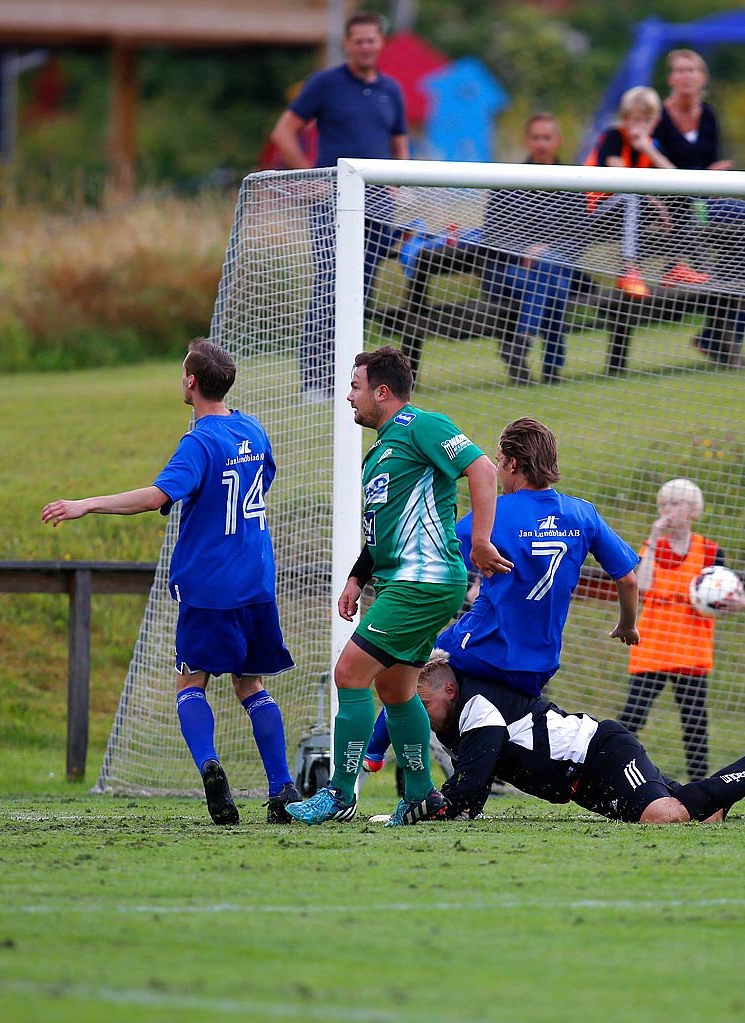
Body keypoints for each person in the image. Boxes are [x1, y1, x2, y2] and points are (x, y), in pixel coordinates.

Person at [40, 339, 295, 827]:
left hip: (210, 587)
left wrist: (86, 503)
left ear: (192, 382)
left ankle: (210, 767)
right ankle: (282, 786)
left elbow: (157, 495)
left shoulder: (199, 442)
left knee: (191, 681)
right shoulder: (254, 430)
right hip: (258, 580)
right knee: (251, 684)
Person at [285, 346, 509, 826]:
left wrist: (482, 540)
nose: (348, 397)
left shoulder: (422, 425)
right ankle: (421, 795)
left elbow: (483, 468)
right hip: (397, 583)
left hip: (423, 581)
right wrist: (356, 577)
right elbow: (382, 531)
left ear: (381, 392)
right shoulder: (380, 451)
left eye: (355, 386)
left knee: (349, 673)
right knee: (395, 687)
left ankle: (340, 794)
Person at [359, 417, 642, 775]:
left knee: (414, 664)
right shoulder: (583, 514)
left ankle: (373, 750)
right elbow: (628, 580)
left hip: (484, 646)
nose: (495, 469)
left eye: (497, 460)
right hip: (537, 665)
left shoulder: (496, 515)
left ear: (512, 464)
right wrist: (627, 625)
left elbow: (436, 555)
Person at [408, 659, 745, 824]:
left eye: (422, 702)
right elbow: (470, 802)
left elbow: (466, 791)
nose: (419, 713)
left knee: (665, 817)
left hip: (600, 753)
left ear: (447, 692)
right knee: (703, 814)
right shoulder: (453, 726)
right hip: (580, 784)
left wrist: (419, 812)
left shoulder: (478, 710)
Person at [268, 12, 410, 402]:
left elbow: (399, 142)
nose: (366, 46)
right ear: (347, 44)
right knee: (330, 287)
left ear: (381, 43)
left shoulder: (391, 89)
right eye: (358, 40)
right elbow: (283, 132)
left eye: (372, 40)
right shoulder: (325, 84)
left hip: (379, 207)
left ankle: (352, 383)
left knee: (361, 292)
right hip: (333, 206)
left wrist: (399, 182)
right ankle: (315, 381)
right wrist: (310, 177)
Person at [616, 478, 745, 782]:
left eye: (676, 504)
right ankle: (603, 766)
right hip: (651, 649)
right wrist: (652, 537)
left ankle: (700, 785)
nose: (668, 510)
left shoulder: (710, 551)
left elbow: (734, 595)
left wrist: (736, 602)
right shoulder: (653, 548)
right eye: (664, 504)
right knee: (634, 715)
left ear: (694, 511)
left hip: (691, 652)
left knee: (694, 722)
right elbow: (643, 586)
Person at [654, 48, 745, 366]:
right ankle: (716, 335)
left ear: (702, 77)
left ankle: (713, 339)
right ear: (670, 78)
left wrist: (712, 176)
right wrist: (704, 177)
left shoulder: (710, 115)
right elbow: (653, 170)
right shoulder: (658, 118)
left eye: (692, 69)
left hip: (708, 206)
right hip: (677, 211)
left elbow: (713, 166)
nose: (686, 75)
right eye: (679, 70)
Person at [483, 114, 585, 385]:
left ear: (558, 141)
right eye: (536, 137)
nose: (542, 143)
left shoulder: (573, 184)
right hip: (513, 273)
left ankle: (521, 342)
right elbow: (492, 236)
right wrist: (524, 251)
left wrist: (546, 252)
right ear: (527, 140)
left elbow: (579, 239)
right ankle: (552, 367)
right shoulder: (509, 184)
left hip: (556, 271)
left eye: (547, 137)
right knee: (550, 279)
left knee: (549, 271)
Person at [585, 86, 696, 299]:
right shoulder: (613, 137)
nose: (639, 127)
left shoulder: (651, 147)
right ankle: (628, 270)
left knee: (680, 196)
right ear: (624, 120)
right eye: (634, 120)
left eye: (645, 121)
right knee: (632, 196)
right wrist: (654, 202)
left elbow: (675, 178)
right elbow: (621, 177)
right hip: (597, 214)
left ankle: (674, 267)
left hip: (633, 214)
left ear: (654, 123)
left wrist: (647, 149)